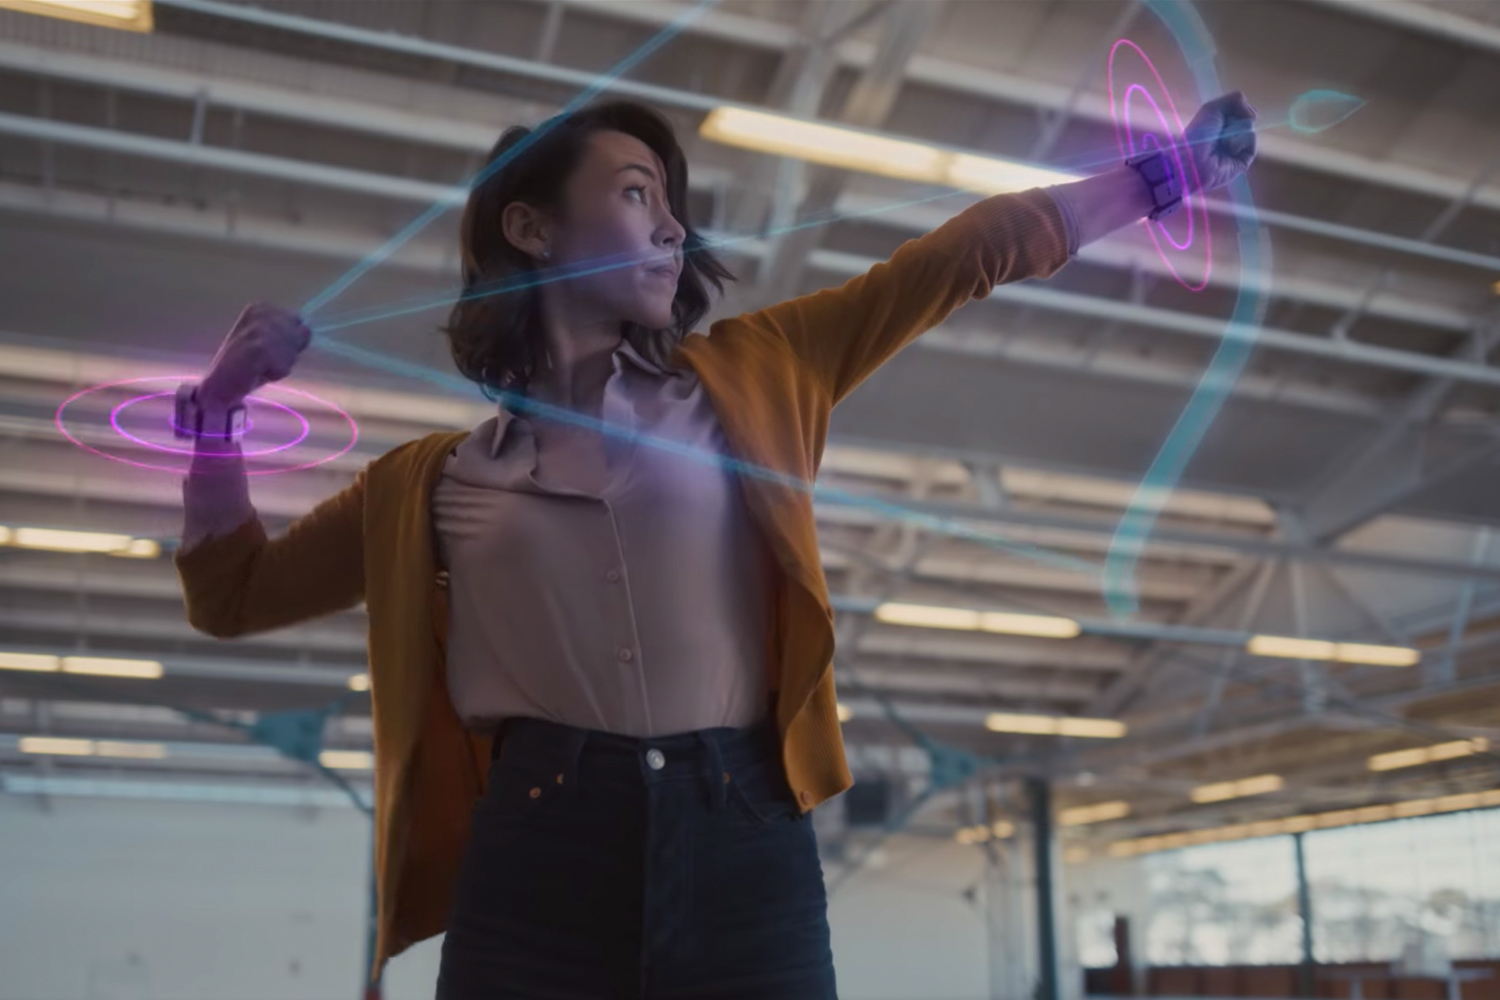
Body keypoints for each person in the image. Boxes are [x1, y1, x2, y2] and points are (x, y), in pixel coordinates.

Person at [176, 94, 1256, 998]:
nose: (670, 225)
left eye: (673, 205)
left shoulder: (758, 372)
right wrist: (217, 415)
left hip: (745, 840)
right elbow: (233, 594)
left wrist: (1160, 177)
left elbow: (958, 259)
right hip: (536, 862)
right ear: (529, 229)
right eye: (636, 190)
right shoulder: (428, 485)